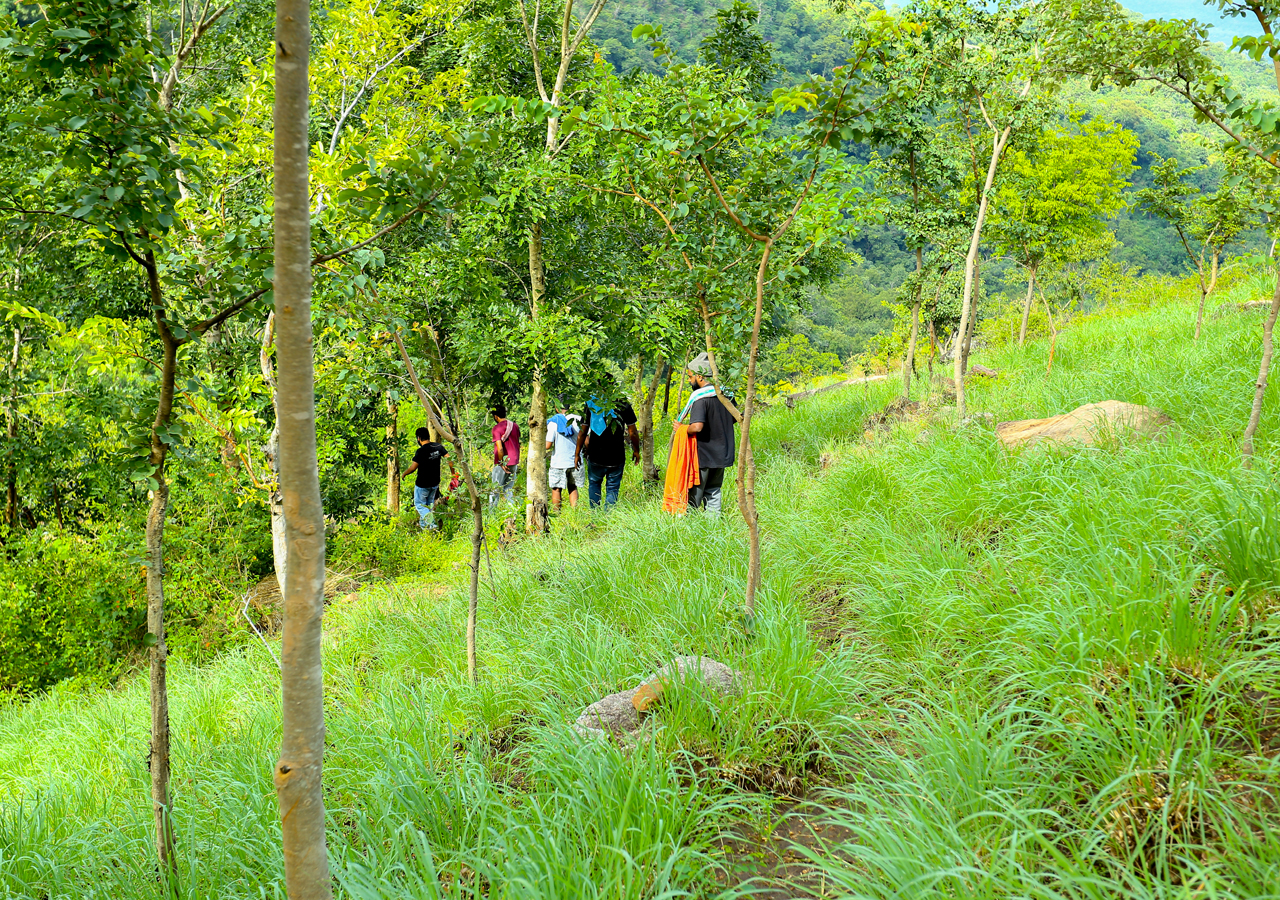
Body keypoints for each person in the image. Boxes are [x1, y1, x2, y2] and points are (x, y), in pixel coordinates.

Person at [681, 353, 736, 516]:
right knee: (713, 491)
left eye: (690, 377)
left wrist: (682, 428)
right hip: (722, 454)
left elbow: (697, 427)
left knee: (694, 495)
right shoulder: (726, 395)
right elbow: (734, 418)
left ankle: (691, 530)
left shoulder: (700, 399)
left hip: (703, 455)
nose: (690, 381)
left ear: (699, 376)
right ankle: (713, 529)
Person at [575, 394, 638, 507]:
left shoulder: (591, 403)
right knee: (612, 488)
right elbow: (632, 431)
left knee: (594, 484)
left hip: (596, 455)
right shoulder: (622, 402)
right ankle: (607, 518)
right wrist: (636, 450)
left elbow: (583, 432)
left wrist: (577, 454)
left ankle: (595, 517)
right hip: (616, 456)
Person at [402, 426, 448, 531]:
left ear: (419, 438)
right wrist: (453, 472)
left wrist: (404, 473)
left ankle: (432, 525)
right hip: (434, 483)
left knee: (419, 505)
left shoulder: (421, 451)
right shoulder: (438, 447)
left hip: (422, 485)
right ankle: (425, 529)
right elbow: (449, 459)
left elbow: (413, 468)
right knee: (428, 506)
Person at [546, 401, 582, 511]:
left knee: (556, 489)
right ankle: (574, 513)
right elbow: (586, 439)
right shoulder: (579, 419)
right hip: (575, 460)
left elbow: (548, 445)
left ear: (557, 407)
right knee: (573, 487)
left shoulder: (553, 422)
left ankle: (557, 515)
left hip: (558, 461)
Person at [489, 404, 521, 510]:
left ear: (496, 416)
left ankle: (491, 515)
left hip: (502, 464)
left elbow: (500, 448)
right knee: (508, 489)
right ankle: (512, 512)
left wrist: (502, 463)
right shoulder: (515, 426)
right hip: (514, 462)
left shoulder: (496, 428)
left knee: (495, 490)